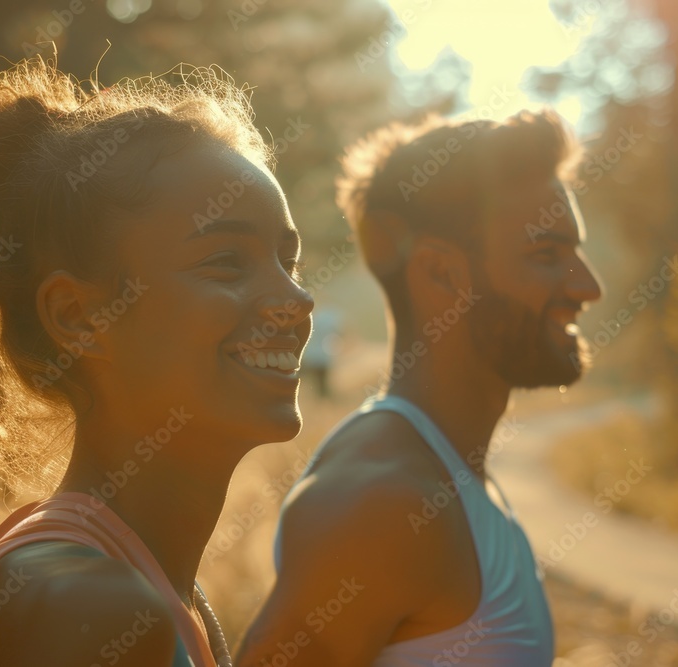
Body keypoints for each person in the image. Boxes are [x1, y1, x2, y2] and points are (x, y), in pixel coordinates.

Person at [0, 56, 314, 667]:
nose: (296, 298)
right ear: (77, 316)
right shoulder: (90, 606)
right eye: (227, 261)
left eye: (288, 260)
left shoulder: (147, 587)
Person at [235, 109, 602, 666]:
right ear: (440, 274)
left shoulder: (454, 471)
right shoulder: (383, 503)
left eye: (576, 252)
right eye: (546, 255)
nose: (588, 286)